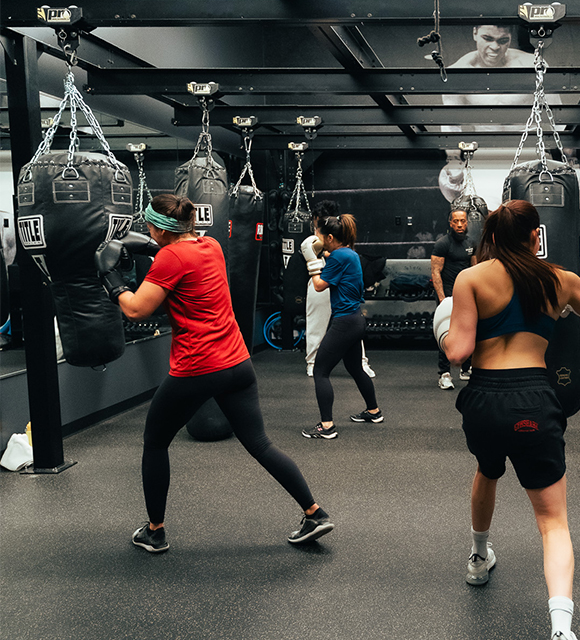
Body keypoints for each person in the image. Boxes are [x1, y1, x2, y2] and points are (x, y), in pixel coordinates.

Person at [95, 193, 333, 552]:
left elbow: (135, 310)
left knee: (155, 442)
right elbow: (180, 262)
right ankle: (315, 513)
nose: (146, 230)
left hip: (197, 367)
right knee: (260, 443)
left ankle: (154, 531)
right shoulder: (212, 246)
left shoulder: (170, 258)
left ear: (159, 229)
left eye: (149, 226)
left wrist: (110, 278)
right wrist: (151, 247)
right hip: (237, 362)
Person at [435, 199, 580, 640]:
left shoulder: (470, 279)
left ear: (493, 235)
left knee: (487, 469)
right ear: (536, 236)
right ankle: (561, 636)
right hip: (535, 398)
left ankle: (477, 556)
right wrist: (569, 305)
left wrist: (443, 328)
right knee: (553, 522)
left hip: (485, 400)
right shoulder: (559, 279)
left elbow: (459, 352)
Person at [299, 212, 382, 439]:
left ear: (330, 237)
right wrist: (323, 253)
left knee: (320, 370)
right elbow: (333, 257)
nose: (316, 239)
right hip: (355, 319)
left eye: (319, 235)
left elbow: (318, 286)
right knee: (355, 368)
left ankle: (326, 427)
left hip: (344, 322)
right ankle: (373, 411)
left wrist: (311, 259)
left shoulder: (337, 258)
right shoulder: (349, 254)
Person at [303, 201, 375, 380]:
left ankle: (362, 362)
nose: (315, 226)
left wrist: (317, 255)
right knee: (316, 321)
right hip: (320, 276)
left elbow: (340, 253)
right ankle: (312, 361)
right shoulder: (318, 234)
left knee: (349, 322)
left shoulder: (337, 232)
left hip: (337, 279)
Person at [432, 208, 476, 389]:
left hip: (465, 295)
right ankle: (444, 373)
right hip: (448, 295)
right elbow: (435, 272)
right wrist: (443, 300)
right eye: (456, 221)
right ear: (450, 223)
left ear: (467, 223)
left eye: (463, 221)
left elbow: (475, 270)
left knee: (470, 330)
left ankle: (466, 369)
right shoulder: (443, 244)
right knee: (447, 334)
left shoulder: (471, 243)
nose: (459, 224)